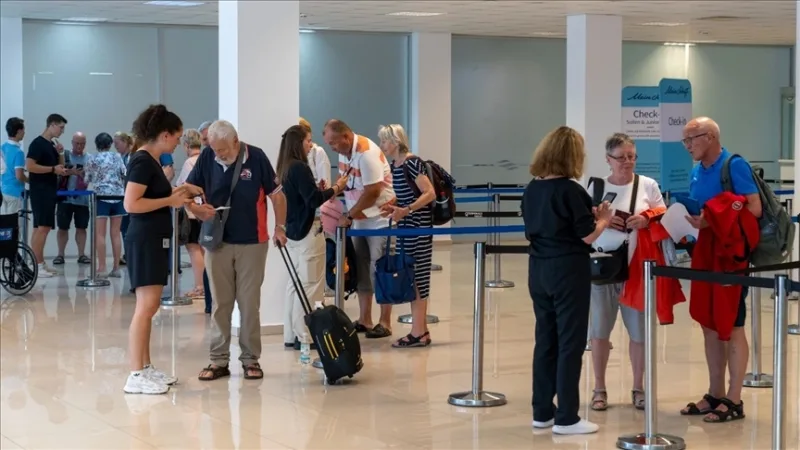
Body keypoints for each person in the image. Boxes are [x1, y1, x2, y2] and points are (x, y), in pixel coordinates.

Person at [522, 126, 611, 435]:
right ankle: (567, 416)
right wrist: (603, 220)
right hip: (568, 269)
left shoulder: (532, 188)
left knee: (545, 339)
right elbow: (587, 234)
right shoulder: (571, 190)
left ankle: (542, 410)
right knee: (571, 342)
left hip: (538, 268)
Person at [186, 120, 287, 382]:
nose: (219, 155)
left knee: (249, 303)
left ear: (236, 141)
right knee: (220, 304)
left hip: (252, 241)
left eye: (223, 150)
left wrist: (280, 227)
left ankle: (250, 359)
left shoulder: (256, 157)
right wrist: (197, 209)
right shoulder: (207, 156)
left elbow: (277, 194)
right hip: (216, 241)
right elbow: (191, 190)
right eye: (215, 149)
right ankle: (218, 360)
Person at [680, 117, 762, 423]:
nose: (688, 146)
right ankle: (714, 393)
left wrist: (714, 216)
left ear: (711, 136)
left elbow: (754, 207)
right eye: (684, 141)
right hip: (704, 253)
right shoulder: (696, 170)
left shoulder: (734, 165)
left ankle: (734, 397)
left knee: (733, 323)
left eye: (692, 139)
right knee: (709, 322)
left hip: (731, 257)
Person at [122, 104, 201, 395]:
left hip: (154, 236)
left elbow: (155, 196)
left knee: (151, 306)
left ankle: (145, 366)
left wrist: (178, 194)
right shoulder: (142, 161)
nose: (179, 143)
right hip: (144, 237)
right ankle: (135, 372)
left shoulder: (151, 161)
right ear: (164, 134)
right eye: (177, 137)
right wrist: (169, 201)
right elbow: (131, 205)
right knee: (145, 307)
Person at [585, 133, 666, 411]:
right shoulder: (595, 187)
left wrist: (644, 219)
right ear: (608, 159)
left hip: (638, 268)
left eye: (631, 156)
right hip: (603, 265)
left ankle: (638, 387)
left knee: (639, 333)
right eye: (621, 157)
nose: (627, 162)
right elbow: (583, 223)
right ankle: (599, 387)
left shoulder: (648, 184)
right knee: (599, 330)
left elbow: (662, 212)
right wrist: (604, 222)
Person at [323, 119, 396, 339]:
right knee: (361, 268)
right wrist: (331, 193)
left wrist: (349, 215)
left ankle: (385, 322)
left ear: (345, 137)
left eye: (334, 143)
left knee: (380, 268)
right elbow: (344, 179)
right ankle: (365, 319)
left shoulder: (366, 153)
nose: (332, 148)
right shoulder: (345, 152)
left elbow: (372, 192)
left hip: (379, 219)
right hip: (359, 219)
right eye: (329, 144)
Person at [277, 125, 347, 350]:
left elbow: (304, 195)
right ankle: (303, 336)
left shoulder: (285, 167)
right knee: (309, 285)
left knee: (294, 284)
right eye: (308, 140)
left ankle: (291, 333)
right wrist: (337, 187)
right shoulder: (300, 167)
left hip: (293, 231)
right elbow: (314, 199)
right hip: (308, 231)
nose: (311, 144)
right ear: (299, 143)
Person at [378, 124, 435, 348]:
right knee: (411, 274)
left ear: (395, 142)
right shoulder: (396, 164)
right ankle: (420, 330)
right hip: (407, 225)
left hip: (417, 226)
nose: (382, 146)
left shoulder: (412, 162)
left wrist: (407, 209)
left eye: (384, 141)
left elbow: (429, 193)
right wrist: (395, 206)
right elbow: (407, 194)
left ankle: (418, 332)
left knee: (417, 275)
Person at [26, 114, 69, 278]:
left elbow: (61, 166)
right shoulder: (37, 144)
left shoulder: (51, 145)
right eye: (61, 127)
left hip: (49, 190)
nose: (62, 131)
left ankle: (39, 262)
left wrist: (61, 153)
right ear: (52, 125)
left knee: (40, 228)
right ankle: (36, 265)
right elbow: (30, 166)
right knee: (42, 228)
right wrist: (52, 170)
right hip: (41, 190)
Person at [85, 132, 127, 278]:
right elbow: (124, 173)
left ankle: (102, 267)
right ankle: (116, 267)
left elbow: (87, 178)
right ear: (110, 144)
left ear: (97, 145)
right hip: (118, 196)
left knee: (100, 233)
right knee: (115, 234)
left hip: (101, 197)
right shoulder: (117, 157)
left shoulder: (93, 158)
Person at [175, 129, 206, 301]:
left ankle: (199, 286)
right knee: (203, 249)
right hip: (205, 209)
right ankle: (205, 284)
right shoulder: (205, 160)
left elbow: (185, 186)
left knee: (193, 248)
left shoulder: (189, 163)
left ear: (186, 145)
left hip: (192, 210)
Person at [54, 132, 90, 266]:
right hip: (65, 198)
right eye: (77, 143)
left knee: (82, 228)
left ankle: (81, 254)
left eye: (82, 143)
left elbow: (93, 176)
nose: (79, 146)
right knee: (63, 227)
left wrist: (85, 173)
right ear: (72, 142)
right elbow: (59, 171)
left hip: (83, 199)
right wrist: (72, 172)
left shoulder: (89, 158)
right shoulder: (65, 156)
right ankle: (60, 254)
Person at [115, 131, 134, 266]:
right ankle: (128, 253)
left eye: (117, 143)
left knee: (130, 227)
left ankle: (132, 253)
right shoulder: (120, 158)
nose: (115, 146)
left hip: (130, 195)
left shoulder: (131, 157)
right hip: (122, 196)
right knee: (124, 227)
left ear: (125, 142)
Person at [1, 117, 27, 216]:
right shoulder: (18, 152)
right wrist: (29, 180)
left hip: (2, 191)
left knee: (3, 226)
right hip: (15, 193)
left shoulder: (1, 148)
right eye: (23, 130)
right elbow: (19, 176)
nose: (24, 132)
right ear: (19, 131)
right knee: (14, 226)